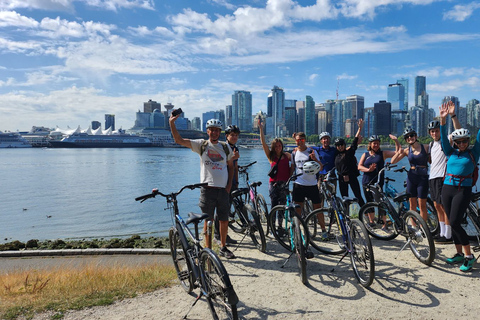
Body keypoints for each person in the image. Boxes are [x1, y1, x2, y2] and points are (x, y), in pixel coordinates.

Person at [169, 113, 237, 259]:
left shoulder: (226, 148)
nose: (214, 132)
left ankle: (223, 247)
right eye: (212, 130)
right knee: (208, 221)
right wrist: (172, 123)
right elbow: (178, 140)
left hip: (223, 190)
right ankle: (208, 250)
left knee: (224, 220)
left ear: (220, 132)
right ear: (207, 131)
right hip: (207, 190)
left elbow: (231, 167)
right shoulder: (202, 145)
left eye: (217, 130)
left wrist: (229, 185)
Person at [439, 103, 480, 272]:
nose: (462, 143)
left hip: (463, 190)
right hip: (447, 189)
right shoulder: (451, 152)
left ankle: (469, 256)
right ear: (455, 142)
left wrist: (454, 116)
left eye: (465, 141)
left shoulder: (473, 153)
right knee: (451, 221)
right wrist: (443, 119)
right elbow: (442, 138)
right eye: (459, 141)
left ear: (468, 141)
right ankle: (458, 254)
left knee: (455, 222)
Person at [358, 134, 399, 229]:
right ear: (370, 144)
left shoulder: (383, 154)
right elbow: (359, 166)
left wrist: (396, 141)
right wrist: (368, 170)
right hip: (366, 182)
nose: (376, 145)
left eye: (377, 143)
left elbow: (397, 152)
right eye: (374, 143)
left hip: (377, 183)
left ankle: (384, 223)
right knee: (369, 202)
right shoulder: (366, 154)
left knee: (380, 202)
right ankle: (372, 222)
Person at [427, 114, 457, 244]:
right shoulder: (431, 144)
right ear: (429, 133)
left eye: (437, 130)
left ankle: (448, 235)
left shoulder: (446, 140)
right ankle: (442, 232)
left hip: (442, 177)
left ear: (440, 131)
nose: (434, 133)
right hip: (432, 177)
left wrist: (452, 116)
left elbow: (457, 131)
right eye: (432, 131)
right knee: (436, 205)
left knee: (444, 206)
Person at [390, 127, 430, 223]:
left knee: (422, 204)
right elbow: (392, 161)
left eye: (411, 135)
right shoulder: (407, 150)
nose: (410, 138)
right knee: (412, 204)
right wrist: (398, 152)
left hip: (423, 177)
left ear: (416, 136)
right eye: (407, 137)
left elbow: (432, 160)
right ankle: (413, 226)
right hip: (412, 177)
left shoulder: (425, 147)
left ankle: (422, 227)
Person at [259, 119, 292, 234]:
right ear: (273, 147)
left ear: (282, 146)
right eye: (276, 146)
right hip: (274, 183)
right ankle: (272, 227)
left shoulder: (287, 155)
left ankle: (279, 227)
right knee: (274, 205)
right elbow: (263, 144)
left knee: (283, 206)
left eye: (280, 146)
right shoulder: (271, 156)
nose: (278, 148)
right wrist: (261, 129)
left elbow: (295, 163)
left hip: (285, 183)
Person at [291, 132, 325, 233]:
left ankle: (323, 230)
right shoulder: (294, 153)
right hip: (299, 184)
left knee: (318, 209)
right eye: (297, 140)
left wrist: (315, 159)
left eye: (301, 140)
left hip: (312, 184)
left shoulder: (311, 151)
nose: (299, 142)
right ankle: (298, 230)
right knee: (298, 209)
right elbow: (293, 168)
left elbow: (321, 167)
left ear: (304, 140)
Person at [214, 125, 240, 246]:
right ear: (227, 136)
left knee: (226, 209)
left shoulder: (235, 148)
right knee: (220, 210)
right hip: (222, 182)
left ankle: (224, 235)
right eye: (232, 135)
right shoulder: (222, 147)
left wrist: (236, 182)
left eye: (236, 135)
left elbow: (235, 166)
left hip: (231, 182)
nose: (234, 137)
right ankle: (217, 236)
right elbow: (219, 164)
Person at [334, 119, 365, 207]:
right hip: (341, 178)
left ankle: (366, 215)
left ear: (344, 145)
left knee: (358, 196)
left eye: (342, 145)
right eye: (338, 145)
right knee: (344, 198)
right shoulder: (335, 154)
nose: (340, 147)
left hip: (352, 177)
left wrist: (359, 129)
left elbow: (354, 142)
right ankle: (346, 218)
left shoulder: (349, 152)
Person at [311, 132, 337, 204]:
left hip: (331, 176)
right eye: (324, 139)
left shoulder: (334, 150)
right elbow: (305, 147)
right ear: (321, 141)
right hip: (321, 176)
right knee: (319, 197)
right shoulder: (318, 150)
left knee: (332, 197)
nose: (326, 140)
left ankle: (333, 214)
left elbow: (344, 150)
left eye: (327, 138)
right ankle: (320, 214)